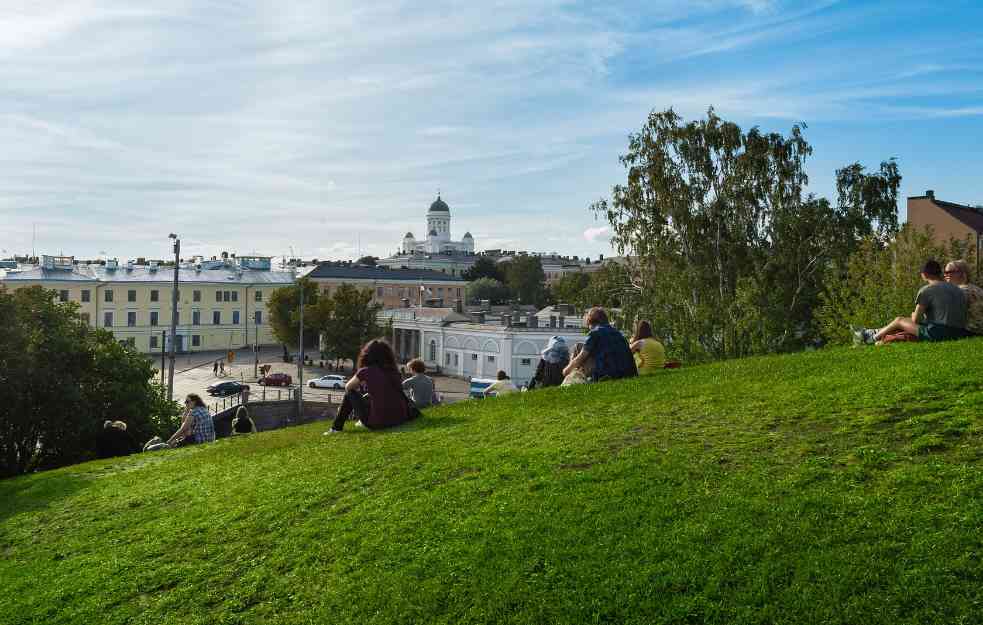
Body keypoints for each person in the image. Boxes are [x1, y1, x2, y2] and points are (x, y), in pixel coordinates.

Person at [854, 259, 968, 344]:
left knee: (899, 320)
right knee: (904, 323)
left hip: (939, 333)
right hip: (960, 332)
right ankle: (872, 333)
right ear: (939, 273)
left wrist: (914, 315)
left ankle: (870, 338)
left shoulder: (927, 290)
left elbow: (916, 320)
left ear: (924, 274)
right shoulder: (957, 289)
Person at [325, 339, 415, 434]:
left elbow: (348, 387)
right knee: (369, 397)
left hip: (379, 423)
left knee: (350, 393)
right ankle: (356, 422)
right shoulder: (394, 371)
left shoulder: (366, 371)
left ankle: (336, 428)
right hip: (400, 419)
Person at [563, 307, 637, 382]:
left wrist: (566, 370)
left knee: (577, 347)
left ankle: (570, 379)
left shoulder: (595, 333)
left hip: (608, 374)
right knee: (580, 346)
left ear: (590, 322)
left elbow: (582, 356)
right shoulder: (619, 334)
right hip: (627, 373)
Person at [944, 259, 983, 336]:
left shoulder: (960, 291)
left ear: (962, 273)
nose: (945, 275)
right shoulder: (977, 289)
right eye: (945, 272)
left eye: (949, 272)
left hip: (970, 331)